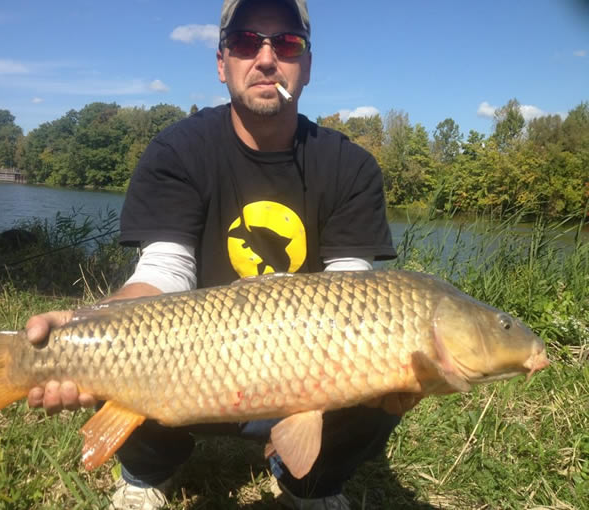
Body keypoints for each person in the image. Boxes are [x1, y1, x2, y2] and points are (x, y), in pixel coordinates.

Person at [26, 1, 416, 508]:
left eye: (288, 43)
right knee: (124, 345)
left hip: (307, 378)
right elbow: (164, 272)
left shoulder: (351, 166)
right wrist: (85, 326)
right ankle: (147, 472)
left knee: (382, 366)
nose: (267, 58)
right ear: (221, 61)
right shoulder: (178, 151)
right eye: (247, 42)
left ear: (308, 65)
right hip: (195, 370)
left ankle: (307, 478)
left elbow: (354, 295)